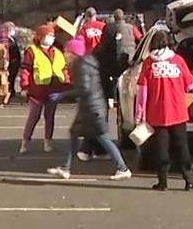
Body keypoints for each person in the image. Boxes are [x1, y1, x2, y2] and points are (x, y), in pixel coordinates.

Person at [48, 37, 133, 182]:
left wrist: (63, 95)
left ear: (74, 53)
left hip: (92, 109)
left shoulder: (82, 66)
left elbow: (85, 89)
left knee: (103, 138)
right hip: (89, 108)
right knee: (74, 133)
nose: (65, 55)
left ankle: (123, 168)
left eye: (67, 52)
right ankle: (65, 168)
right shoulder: (85, 63)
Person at [137, 30, 193, 191]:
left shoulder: (149, 63)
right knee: (182, 146)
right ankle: (189, 179)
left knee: (161, 148)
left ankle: (162, 182)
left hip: (157, 112)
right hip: (178, 111)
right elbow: (191, 84)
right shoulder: (178, 60)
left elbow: (142, 91)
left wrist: (139, 114)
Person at [17, 23, 69, 156]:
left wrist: (66, 84)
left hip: (53, 89)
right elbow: (26, 70)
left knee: (50, 117)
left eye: (52, 35)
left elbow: (64, 69)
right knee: (34, 117)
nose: (51, 38)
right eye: (48, 35)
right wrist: (24, 86)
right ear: (40, 37)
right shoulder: (32, 51)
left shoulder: (57, 52)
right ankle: (25, 141)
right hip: (37, 90)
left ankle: (48, 142)